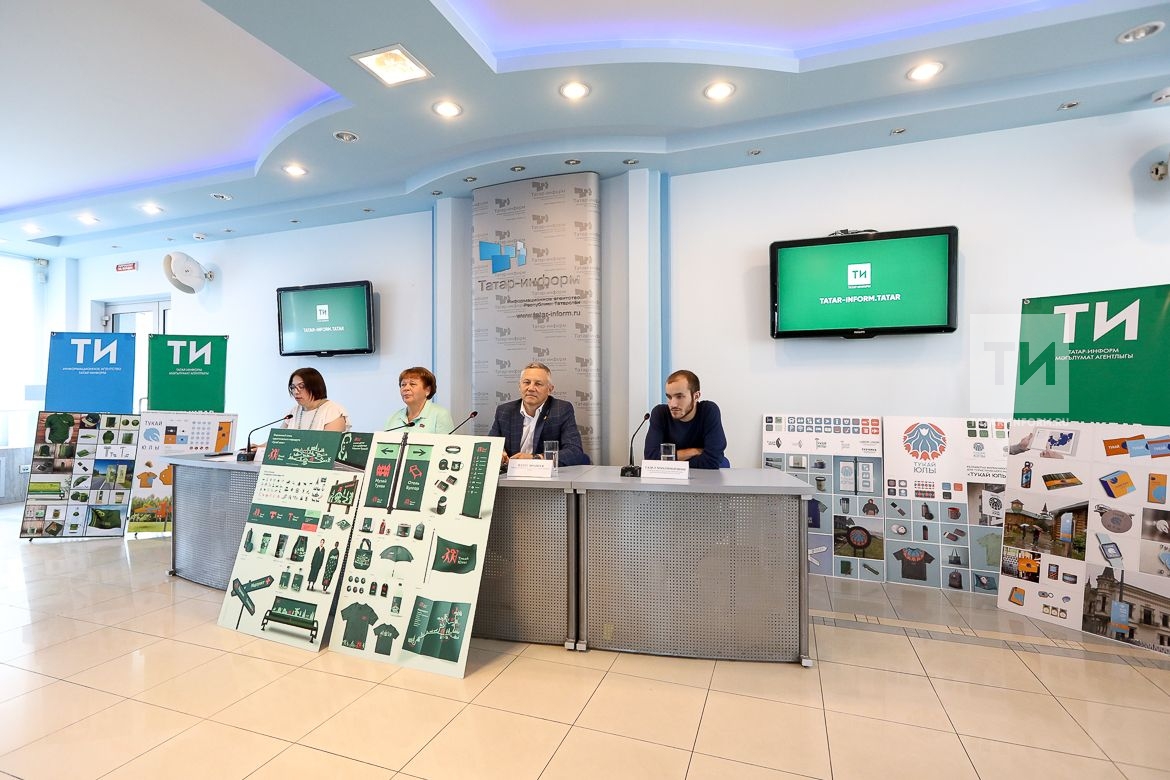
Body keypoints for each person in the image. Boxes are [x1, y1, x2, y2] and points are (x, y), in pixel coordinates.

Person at [489, 361, 589, 466]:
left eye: (538, 384)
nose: (531, 388)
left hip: (545, 473)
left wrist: (535, 459)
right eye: (526, 382)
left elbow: (574, 451)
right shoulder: (504, 411)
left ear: (550, 389)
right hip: (512, 473)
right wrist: (499, 453)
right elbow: (491, 445)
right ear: (519, 386)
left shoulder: (561, 410)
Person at [644, 369, 728, 468]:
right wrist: (693, 451)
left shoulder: (708, 411)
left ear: (696, 396)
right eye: (669, 397)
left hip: (705, 475)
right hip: (672, 476)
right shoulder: (660, 413)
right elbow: (650, 458)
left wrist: (670, 462)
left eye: (679, 397)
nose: (673, 404)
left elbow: (713, 459)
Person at [384, 367, 455, 433]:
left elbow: (448, 442)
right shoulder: (393, 418)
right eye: (403, 385)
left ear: (427, 390)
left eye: (412, 384)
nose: (406, 388)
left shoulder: (440, 415)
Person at [283, 367, 349, 431]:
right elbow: (280, 437)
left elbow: (330, 439)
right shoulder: (294, 411)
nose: (296, 392)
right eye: (293, 387)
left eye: (301, 386)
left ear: (315, 386)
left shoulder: (332, 411)